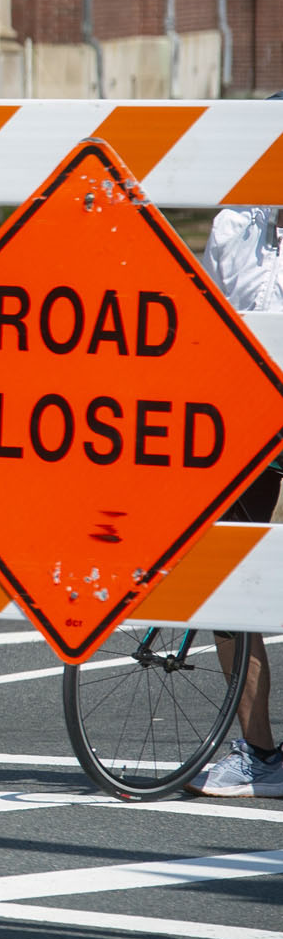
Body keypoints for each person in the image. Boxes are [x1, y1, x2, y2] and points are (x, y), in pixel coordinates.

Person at [189, 195, 282, 797]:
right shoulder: (233, 226)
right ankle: (260, 755)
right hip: (244, 422)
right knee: (229, 585)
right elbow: (199, 326)